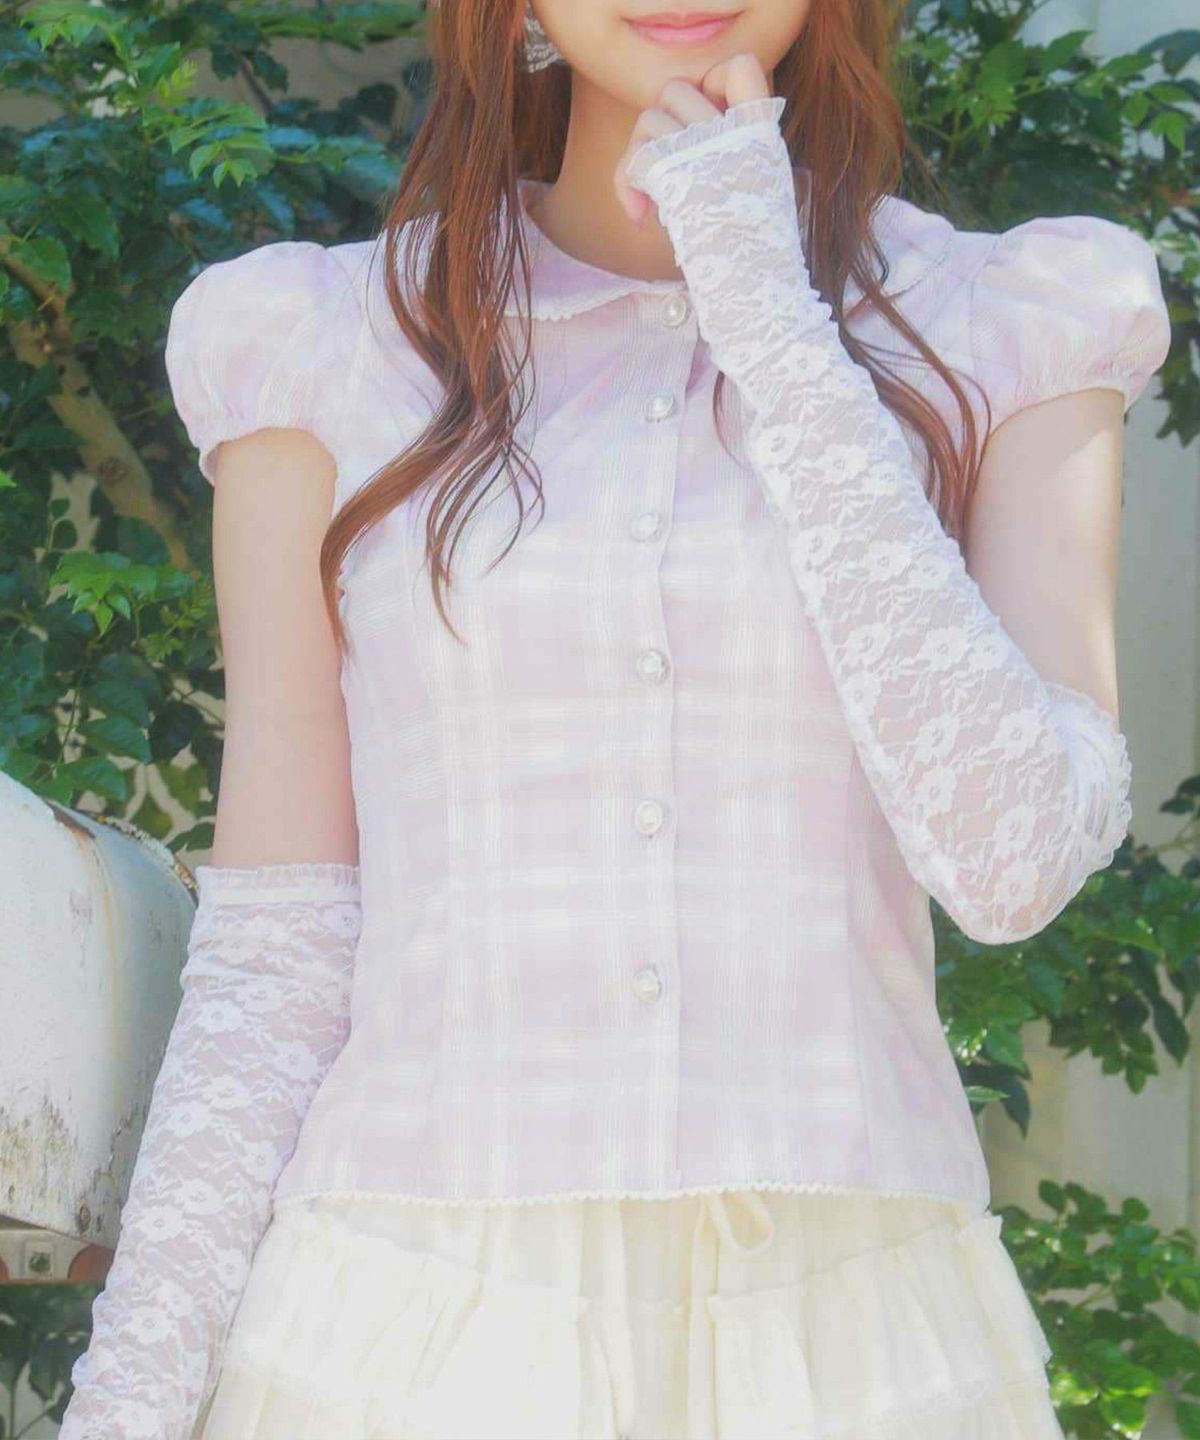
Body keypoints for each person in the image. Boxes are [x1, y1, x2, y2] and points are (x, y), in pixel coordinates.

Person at [58, 1, 1172, 1437]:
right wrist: (129, 1404)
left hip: (852, 1347)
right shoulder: (322, 343)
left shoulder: (1008, 322)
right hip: (407, 1326)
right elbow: (283, 934)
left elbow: (1012, 859)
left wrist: (770, 310)